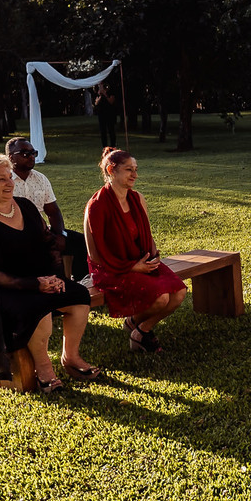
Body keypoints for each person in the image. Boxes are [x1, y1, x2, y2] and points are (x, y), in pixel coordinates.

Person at [0, 154, 98, 392]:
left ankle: (71, 357)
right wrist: (35, 284)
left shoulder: (24, 206)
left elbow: (49, 244)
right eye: (0, 179)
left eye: (9, 177)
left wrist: (55, 277)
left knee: (78, 296)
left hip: (40, 279)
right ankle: (44, 370)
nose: (9, 183)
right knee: (38, 308)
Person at [84, 148, 187, 353]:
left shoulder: (137, 198)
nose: (135, 175)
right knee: (161, 298)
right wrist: (131, 267)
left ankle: (138, 328)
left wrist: (154, 257)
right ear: (111, 170)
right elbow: (95, 253)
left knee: (179, 293)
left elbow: (147, 234)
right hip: (111, 268)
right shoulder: (96, 205)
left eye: (136, 169)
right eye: (129, 169)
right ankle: (140, 334)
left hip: (139, 260)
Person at [6, 137, 91, 286]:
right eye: (25, 153)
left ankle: (81, 284)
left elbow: (53, 211)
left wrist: (60, 234)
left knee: (80, 242)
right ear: (10, 157)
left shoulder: (41, 179)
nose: (31, 156)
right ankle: (56, 285)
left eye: (34, 152)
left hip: (42, 231)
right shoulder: (5, 181)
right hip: (16, 234)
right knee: (47, 253)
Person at [95, 82, 119, 149]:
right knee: (103, 131)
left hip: (110, 113)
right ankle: (104, 146)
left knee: (111, 129)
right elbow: (96, 103)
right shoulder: (98, 93)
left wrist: (105, 94)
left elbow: (111, 101)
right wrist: (100, 95)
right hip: (101, 113)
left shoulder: (110, 92)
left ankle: (113, 145)